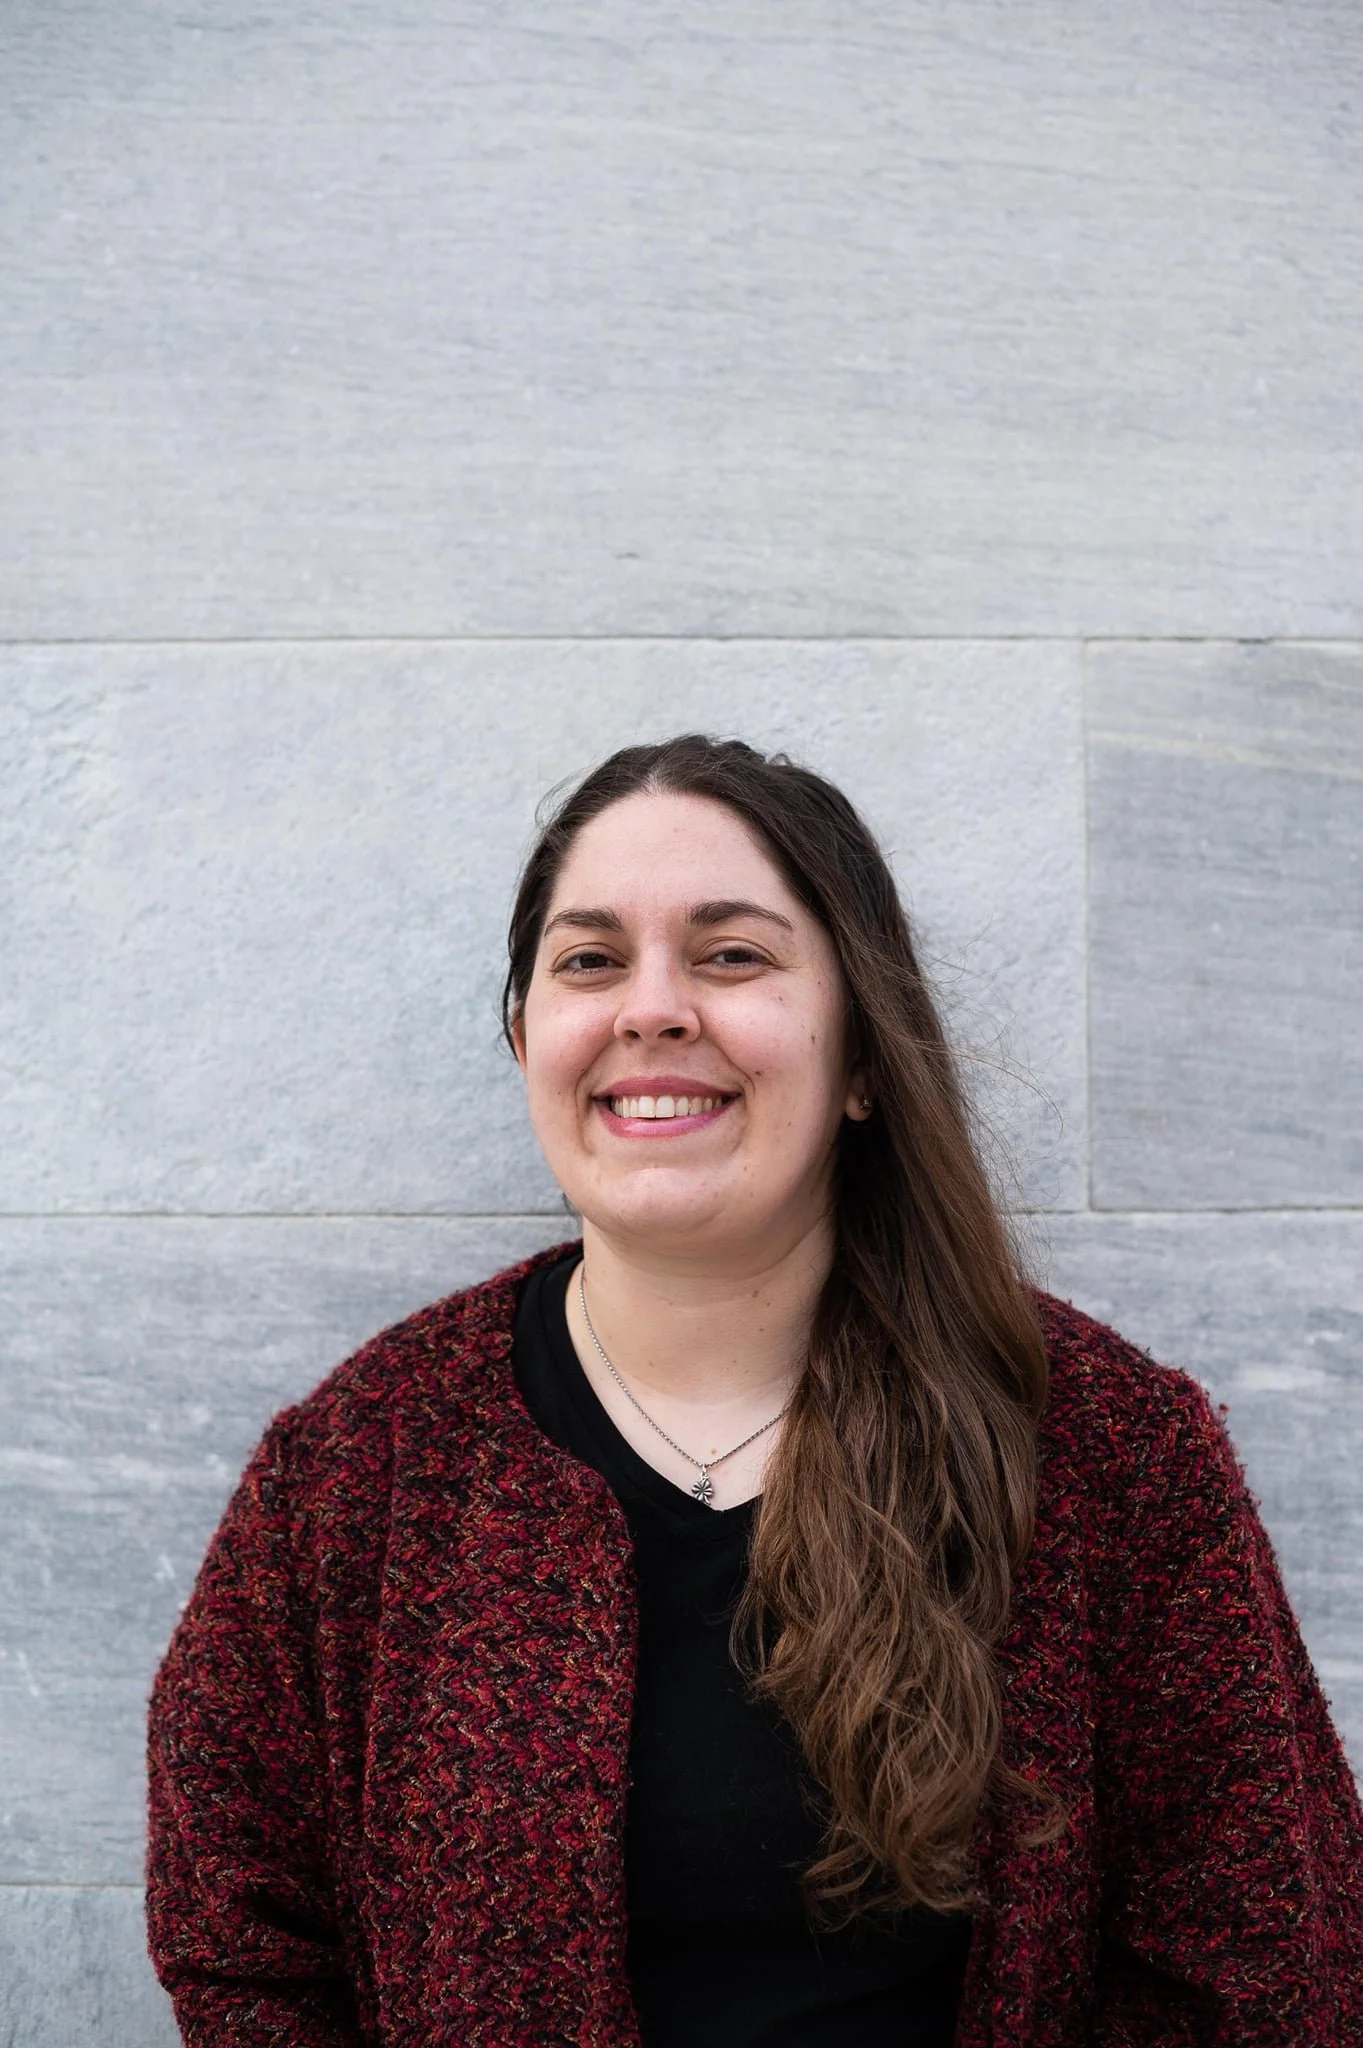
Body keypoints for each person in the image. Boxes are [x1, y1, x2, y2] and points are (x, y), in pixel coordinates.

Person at [145, 734, 1363, 2047]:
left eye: (730, 955)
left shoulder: (1110, 1452)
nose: (652, 1009)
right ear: (524, 1038)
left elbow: (1265, 1950)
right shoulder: (353, 1473)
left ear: (862, 1057)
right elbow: (238, 1937)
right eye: (589, 960)